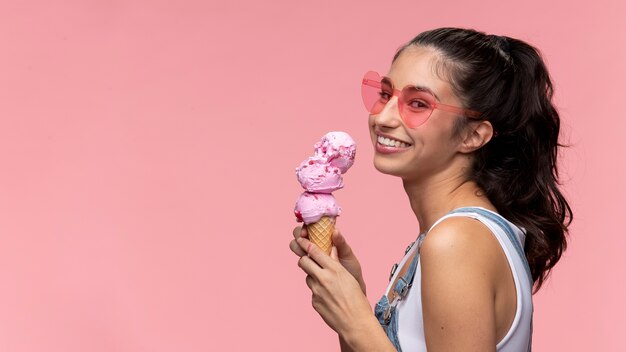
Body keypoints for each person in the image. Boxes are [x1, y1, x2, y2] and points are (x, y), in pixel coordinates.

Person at [289, 27, 572, 351]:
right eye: (384, 94)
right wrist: (352, 297)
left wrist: (356, 322)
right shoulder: (447, 237)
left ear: (473, 135)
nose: (383, 117)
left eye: (418, 103)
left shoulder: (456, 242)